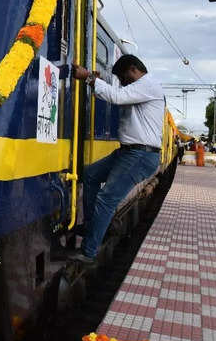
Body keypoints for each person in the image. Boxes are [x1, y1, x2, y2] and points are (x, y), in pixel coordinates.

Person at [69, 55, 164, 264]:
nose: (122, 83)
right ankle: (92, 226)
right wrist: (96, 82)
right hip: (128, 152)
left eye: (123, 78)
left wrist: (88, 79)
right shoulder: (139, 88)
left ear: (133, 70)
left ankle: (88, 252)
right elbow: (117, 95)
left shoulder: (148, 85)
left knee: (106, 198)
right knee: (91, 174)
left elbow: (118, 97)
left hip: (141, 154)